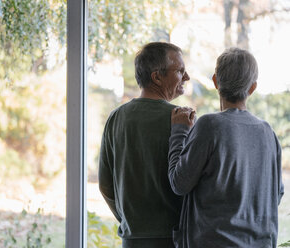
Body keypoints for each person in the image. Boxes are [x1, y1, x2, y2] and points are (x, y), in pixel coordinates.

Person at [168, 47, 284, 248]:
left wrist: (179, 131)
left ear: (215, 81)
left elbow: (179, 183)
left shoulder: (209, 126)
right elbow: (277, 194)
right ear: (253, 88)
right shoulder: (268, 133)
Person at [98, 42, 190, 248]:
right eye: (180, 71)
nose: (187, 77)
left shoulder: (116, 118)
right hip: (173, 240)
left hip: (131, 240)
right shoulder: (182, 120)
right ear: (156, 77)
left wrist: (129, 221)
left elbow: (105, 185)